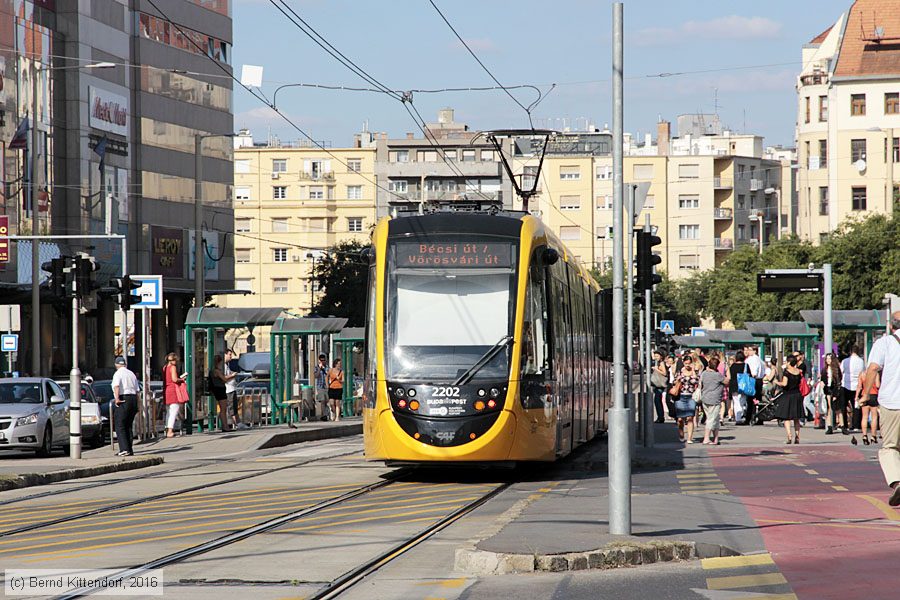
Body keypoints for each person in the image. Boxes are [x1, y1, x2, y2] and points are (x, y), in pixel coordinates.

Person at [860, 312, 900, 507]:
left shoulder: (884, 343)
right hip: (891, 400)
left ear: (892, 326)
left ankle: (897, 481)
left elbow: (873, 368)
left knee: (890, 447)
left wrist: (866, 394)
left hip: (892, 402)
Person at [111, 356, 140, 456]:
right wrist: (138, 404)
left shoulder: (118, 373)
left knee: (120, 425)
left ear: (116, 365)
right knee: (128, 425)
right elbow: (137, 390)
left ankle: (124, 449)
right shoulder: (131, 374)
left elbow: (116, 386)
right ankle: (129, 449)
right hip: (133, 399)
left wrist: (117, 399)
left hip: (124, 398)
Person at [774, 355, 804, 444]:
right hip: (797, 395)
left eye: (786, 361)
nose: (786, 363)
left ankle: (789, 436)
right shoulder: (798, 371)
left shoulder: (786, 372)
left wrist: (776, 382)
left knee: (786, 417)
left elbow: (784, 384)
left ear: (789, 362)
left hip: (788, 395)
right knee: (796, 417)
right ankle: (797, 436)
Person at [672, 353, 700, 443]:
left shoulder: (694, 371)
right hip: (680, 396)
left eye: (689, 363)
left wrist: (693, 373)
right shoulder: (680, 371)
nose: (687, 365)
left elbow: (697, 381)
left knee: (690, 417)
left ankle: (689, 438)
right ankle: (681, 434)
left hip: (691, 396)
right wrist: (677, 380)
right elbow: (674, 382)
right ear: (683, 363)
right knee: (680, 419)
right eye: (686, 363)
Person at [700, 357, 728, 445]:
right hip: (714, 399)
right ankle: (706, 438)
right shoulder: (717, 375)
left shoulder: (704, 373)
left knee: (715, 418)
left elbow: (700, 383)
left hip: (705, 398)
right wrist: (727, 370)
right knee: (711, 419)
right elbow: (727, 381)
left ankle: (716, 438)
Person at [841, 346, 865, 435]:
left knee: (843, 406)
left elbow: (841, 371)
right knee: (856, 406)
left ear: (851, 351)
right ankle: (856, 425)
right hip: (857, 385)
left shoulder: (845, 361)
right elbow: (863, 372)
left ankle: (844, 425)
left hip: (845, 384)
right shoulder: (861, 361)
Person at [163, 352, 187, 438]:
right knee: (174, 411)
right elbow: (174, 379)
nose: (176, 362)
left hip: (166, 390)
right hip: (173, 390)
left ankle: (167, 429)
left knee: (168, 411)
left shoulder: (165, 367)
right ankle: (170, 431)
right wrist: (182, 379)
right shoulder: (172, 367)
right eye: (176, 360)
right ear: (173, 360)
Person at [210, 355, 234, 432]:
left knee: (223, 409)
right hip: (220, 390)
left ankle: (225, 425)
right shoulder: (217, 371)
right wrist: (232, 376)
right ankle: (225, 426)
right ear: (219, 362)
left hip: (218, 389)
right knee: (223, 409)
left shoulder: (213, 370)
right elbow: (224, 379)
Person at [856, 369, 880, 445]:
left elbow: (859, 386)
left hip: (864, 395)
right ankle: (873, 436)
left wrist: (856, 397)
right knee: (874, 417)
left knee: (864, 417)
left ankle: (864, 436)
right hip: (873, 395)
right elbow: (878, 385)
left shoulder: (862, 373)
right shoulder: (875, 373)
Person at [822, 353, 842, 434]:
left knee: (838, 408)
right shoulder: (825, 370)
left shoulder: (836, 369)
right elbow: (823, 379)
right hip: (828, 389)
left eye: (829, 359)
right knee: (829, 408)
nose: (828, 360)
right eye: (827, 359)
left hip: (835, 389)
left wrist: (836, 392)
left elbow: (839, 380)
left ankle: (842, 425)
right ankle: (829, 426)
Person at [744, 345, 764, 426]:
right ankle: (760, 418)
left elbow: (754, 372)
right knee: (758, 399)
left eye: (750, 350)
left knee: (751, 400)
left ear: (755, 351)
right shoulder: (759, 359)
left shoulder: (753, 359)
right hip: (759, 380)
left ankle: (749, 418)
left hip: (753, 380)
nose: (748, 351)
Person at [729, 350, 748, 424]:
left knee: (736, 402)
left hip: (734, 385)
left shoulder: (732, 366)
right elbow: (749, 375)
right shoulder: (745, 365)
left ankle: (738, 418)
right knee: (742, 401)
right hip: (743, 386)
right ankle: (742, 414)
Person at [224, 349, 241, 429]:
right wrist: (232, 375)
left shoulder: (227, 365)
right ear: (225, 355)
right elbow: (224, 378)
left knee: (234, 407)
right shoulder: (223, 366)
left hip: (232, 388)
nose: (231, 357)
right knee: (232, 408)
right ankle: (237, 424)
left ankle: (239, 423)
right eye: (229, 354)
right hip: (228, 389)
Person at [650, 350, 668, 424]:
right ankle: (660, 417)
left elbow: (664, 373)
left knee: (657, 401)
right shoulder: (658, 362)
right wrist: (652, 352)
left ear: (661, 357)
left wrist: (656, 369)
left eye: (657, 356)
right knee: (657, 401)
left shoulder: (661, 363)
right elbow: (653, 357)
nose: (656, 357)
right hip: (657, 385)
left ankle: (660, 417)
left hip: (660, 385)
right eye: (655, 356)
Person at [314, 353, 329, 420]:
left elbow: (329, 375)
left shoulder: (328, 368)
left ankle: (325, 413)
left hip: (326, 386)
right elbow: (316, 376)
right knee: (322, 400)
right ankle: (324, 415)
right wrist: (319, 369)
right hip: (320, 386)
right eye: (321, 360)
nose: (322, 362)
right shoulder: (316, 367)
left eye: (323, 360)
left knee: (326, 401)